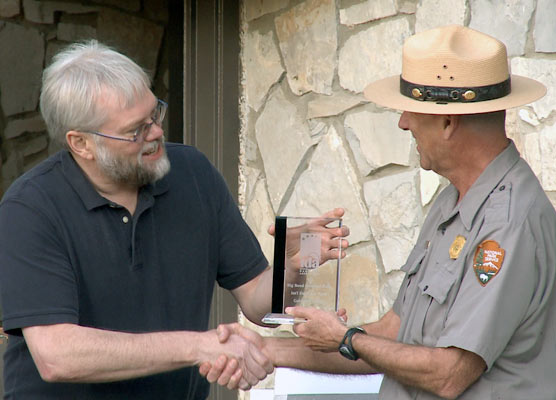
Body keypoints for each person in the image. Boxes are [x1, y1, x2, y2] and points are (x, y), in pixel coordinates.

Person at [202, 25, 556, 399]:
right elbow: (392, 334)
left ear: (449, 122)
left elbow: (450, 374)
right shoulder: (453, 201)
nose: (403, 122)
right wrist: (268, 349)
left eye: (411, 110)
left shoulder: (510, 221)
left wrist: (345, 338)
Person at [0, 40, 348, 399]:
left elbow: (259, 305)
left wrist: (292, 266)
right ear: (81, 144)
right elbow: (57, 355)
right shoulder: (31, 208)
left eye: (155, 114)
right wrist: (200, 346)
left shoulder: (193, 173)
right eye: (135, 130)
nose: (155, 133)